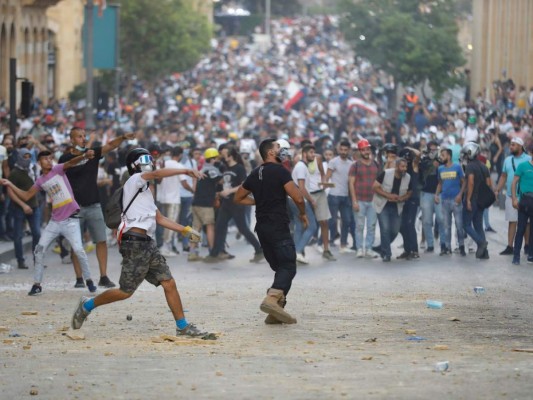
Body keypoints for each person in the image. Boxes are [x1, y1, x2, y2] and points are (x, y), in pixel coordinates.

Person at [70, 148, 214, 339]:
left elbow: (160, 218)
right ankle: (87, 305)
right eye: (146, 160)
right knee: (125, 292)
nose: (151, 163)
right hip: (134, 244)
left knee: (169, 283)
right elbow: (155, 174)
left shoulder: (145, 191)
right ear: (135, 165)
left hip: (148, 244)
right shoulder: (134, 180)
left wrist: (186, 230)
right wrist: (185, 171)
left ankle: (182, 326)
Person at [0, 150, 97, 295]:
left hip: (71, 220)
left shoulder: (58, 169)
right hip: (55, 222)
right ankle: (37, 284)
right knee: (39, 250)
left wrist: (83, 156)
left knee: (79, 250)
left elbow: (71, 163)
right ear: (39, 162)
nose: (49, 160)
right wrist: (9, 184)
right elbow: (26, 196)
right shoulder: (40, 180)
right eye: (45, 159)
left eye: (50, 158)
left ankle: (89, 280)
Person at [234, 138, 307, 324]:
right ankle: (271, 300)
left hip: (262, 228)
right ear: (270, 153)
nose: (282, 149)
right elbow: (297, 197)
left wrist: (257, 201)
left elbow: (238, 197)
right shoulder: (281, 172)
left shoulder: (255, 172)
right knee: (289, 265)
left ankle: (275, 313)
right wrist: (303, 214)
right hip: (278, 225)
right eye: (278, 147)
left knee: (280, 268)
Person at [59, 128, 136, 289]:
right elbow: (66, 167)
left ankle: (103, 276)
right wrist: (83, 156)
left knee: (101, 240)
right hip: (75, 208)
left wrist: (122, 137)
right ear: (72, 140)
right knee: (76, 244)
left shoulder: (92, 154)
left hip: (94, 204)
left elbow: (110, 146)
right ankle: (79, 278)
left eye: (84, 136)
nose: (83, 139)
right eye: (79, 137)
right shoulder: (65, 158)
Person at [204, 146, 264, 263]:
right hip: (226, 203)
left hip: (237, 202)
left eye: (225, 153)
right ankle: (215, 253)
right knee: (220, 227)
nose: (222, 155)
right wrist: (220, 192)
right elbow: (225, 182)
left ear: (231, 156)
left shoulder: (239, 168)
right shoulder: (225, 167)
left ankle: (259, 250)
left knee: (243, 228)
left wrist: (230, 191)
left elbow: (244, 185)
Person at [494, 137, 531, 255]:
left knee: (527, 222)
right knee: (512, 221)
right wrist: (497, 189)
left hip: (526, 196)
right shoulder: (507, 160)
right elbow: (503, 176)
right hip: (511, 196)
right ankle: (510, 246)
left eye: (514, 145)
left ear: (520, 146)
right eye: (511, 145)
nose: (511, 147)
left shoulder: (529, 159)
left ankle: (527, 245)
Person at [6, 148, 41, 269]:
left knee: (37, 233)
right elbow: (10, 192)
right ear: (19, 157)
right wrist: (23, 205)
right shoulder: (14, 173)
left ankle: (37, 260)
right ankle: (20, 260)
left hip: (34, 206)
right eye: (24, 157)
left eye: (28, 156)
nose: (27, 159)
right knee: (18, 235)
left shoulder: (33, 169)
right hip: (19, 208)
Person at [372, 158, 413, 262]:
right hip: (383, 205)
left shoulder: (408, 177)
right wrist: (388, 195)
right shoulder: (386, 173)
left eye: (406, 167)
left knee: (394, 230)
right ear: (397, 166)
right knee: (385, 229)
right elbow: (375, 187)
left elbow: (410, 192)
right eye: (402, 166)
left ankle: (382, 248)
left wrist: (403, 198)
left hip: (397, 206)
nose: (404, 169)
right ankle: (386, 254)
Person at [188, 148, 222, 261]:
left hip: (196, 202)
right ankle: (212, 252)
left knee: (196, 228)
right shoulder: (212, 169)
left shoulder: (202, 169)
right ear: (214, 159)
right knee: (210, 227)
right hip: (205, 204)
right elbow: (221, 180)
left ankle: (192, 252)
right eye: (217, 158)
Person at [348, 139, 380, 258]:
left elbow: (379, 181)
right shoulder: (355, 165)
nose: (366, 151)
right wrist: (354, 201)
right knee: (359, 226)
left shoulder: (376, 164)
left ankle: (369, 248)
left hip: (373, 200)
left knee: (371, 226)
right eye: (364, 149)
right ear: (360, 151)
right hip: (360, 200)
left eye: (368, 149)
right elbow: (351, 183)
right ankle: (359, 248)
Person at [289, 144, 320, 264]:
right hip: (300, 200)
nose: (314, 155)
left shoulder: (301, 166)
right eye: (311, 152)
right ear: (305, 154)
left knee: (300, 226)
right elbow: (301, 187)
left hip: (293, 199)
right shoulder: (301, 167)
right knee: (312, 226)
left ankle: (296, 254)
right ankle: (298, 251)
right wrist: (311, 200)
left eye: (314, 152)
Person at [461, 142, 491, 259]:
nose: (464, 157)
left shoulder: (470, 166)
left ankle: (481, 243)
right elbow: (488, 184)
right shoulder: (484, 166)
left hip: (472, 199)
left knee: (466, 225)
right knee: (478, 226)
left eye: (465, 154)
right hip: (481, 200)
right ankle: (484, 253)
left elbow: (471, 182)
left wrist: (468, 199)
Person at [435, 148, 466, 256]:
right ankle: (447, 247)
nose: (441, 157)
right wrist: (436, 195)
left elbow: (464, 182)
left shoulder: (457, 167)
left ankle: (461, 246)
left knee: (459, 225)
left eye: (443, 155)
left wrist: (460, 195)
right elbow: (440, 183)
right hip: (444, 200)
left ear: (449, 156)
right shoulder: (440, 169)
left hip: (456, 200)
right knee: (446, 226)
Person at [325, 140, 354, 253]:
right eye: (341, 150)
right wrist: (323, 188)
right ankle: (325, 242)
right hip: (334, 195)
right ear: (338, 150)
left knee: (346, 220)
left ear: (349, 151)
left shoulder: (351, 164)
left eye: (345, 150)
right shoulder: (333, 162)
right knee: (331, 221)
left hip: (346, 196)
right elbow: (327, 177)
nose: (343, 152)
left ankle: (343, 245)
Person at [419, 141, 445, 253]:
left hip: (439, 193)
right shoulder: (424, 160)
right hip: (426, 193)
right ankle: (430, 244)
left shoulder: (442, 160)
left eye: (436, 149)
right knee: (427, 221)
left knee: (441, 219)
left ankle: (444, 243)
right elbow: (422, 168)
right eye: (432, 149)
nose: (434, 151)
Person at [511, 143, 533, 265]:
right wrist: (514, 198)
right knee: (521, 229)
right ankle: (516, 255)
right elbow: (514, 183)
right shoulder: (523, 166)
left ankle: (531, 254)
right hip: (525, 201)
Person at [397, 147, 421, 260]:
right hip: (402, 199)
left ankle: (414, 250)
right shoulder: (400, 168)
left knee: (410, 224)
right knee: (402, 226)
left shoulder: (413, 166)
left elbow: (418, 154)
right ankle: (407, 249)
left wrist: (408, 147)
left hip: (412, 199)